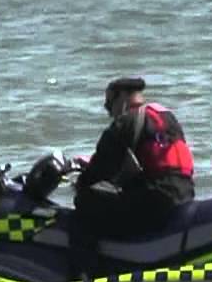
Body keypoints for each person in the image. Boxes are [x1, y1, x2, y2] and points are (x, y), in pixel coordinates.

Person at [73, 76, 195, 240]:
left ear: (122, 98)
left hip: (158, 199)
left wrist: (85, 177)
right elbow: (160, 157)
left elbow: (97, 172)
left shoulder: (125, 122)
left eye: (109, 105)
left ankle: (86, 264)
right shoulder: (166, 116)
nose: (110, 112)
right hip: (185, 191)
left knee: (86, 200)